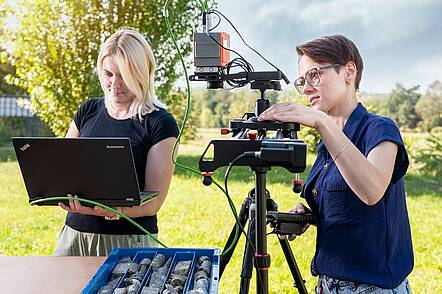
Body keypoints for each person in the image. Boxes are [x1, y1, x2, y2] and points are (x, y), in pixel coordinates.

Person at [258, 35, 413, 293]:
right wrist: (309, 215)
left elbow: (372, 190)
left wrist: (322, 122)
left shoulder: (379, 129)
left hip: (373, 288)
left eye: (314, 75)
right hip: (327, 284)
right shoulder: (327, 143)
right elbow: (351, 211)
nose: (307, 88)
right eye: (302, 81)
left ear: (348, 71)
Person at [52, 28, 179, 256]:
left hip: (128, 243)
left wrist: (112, 211)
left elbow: (154, 201)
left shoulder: (160, 123)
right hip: (74, 235)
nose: (115, 84)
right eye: (109, 74)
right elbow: (64, 170)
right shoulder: (88, 111)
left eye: (124, 76)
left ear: (142, 73)